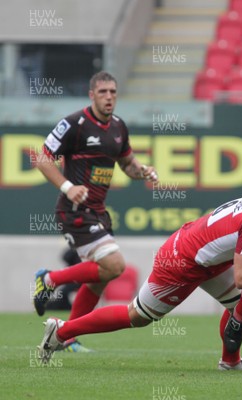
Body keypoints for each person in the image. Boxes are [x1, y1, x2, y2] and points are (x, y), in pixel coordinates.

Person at [38, 194, 242, 371]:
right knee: (138, 315)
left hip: (207, 256)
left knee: (240, 303)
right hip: (184, 261)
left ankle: (230, 362)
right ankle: (61, 330)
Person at [32, 71, 159, 351]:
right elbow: (41, 158)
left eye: (113, 92)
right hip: (74, 209)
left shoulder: (118, 127)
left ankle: (66, 336)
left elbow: (128, 164)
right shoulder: (74, 124)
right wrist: (67, 186)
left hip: (98, 212)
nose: (109, 97)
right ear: (92, 95)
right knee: (115, 265)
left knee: (100, 278)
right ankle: (49, 279)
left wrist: (144, 171)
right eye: (103, 92)